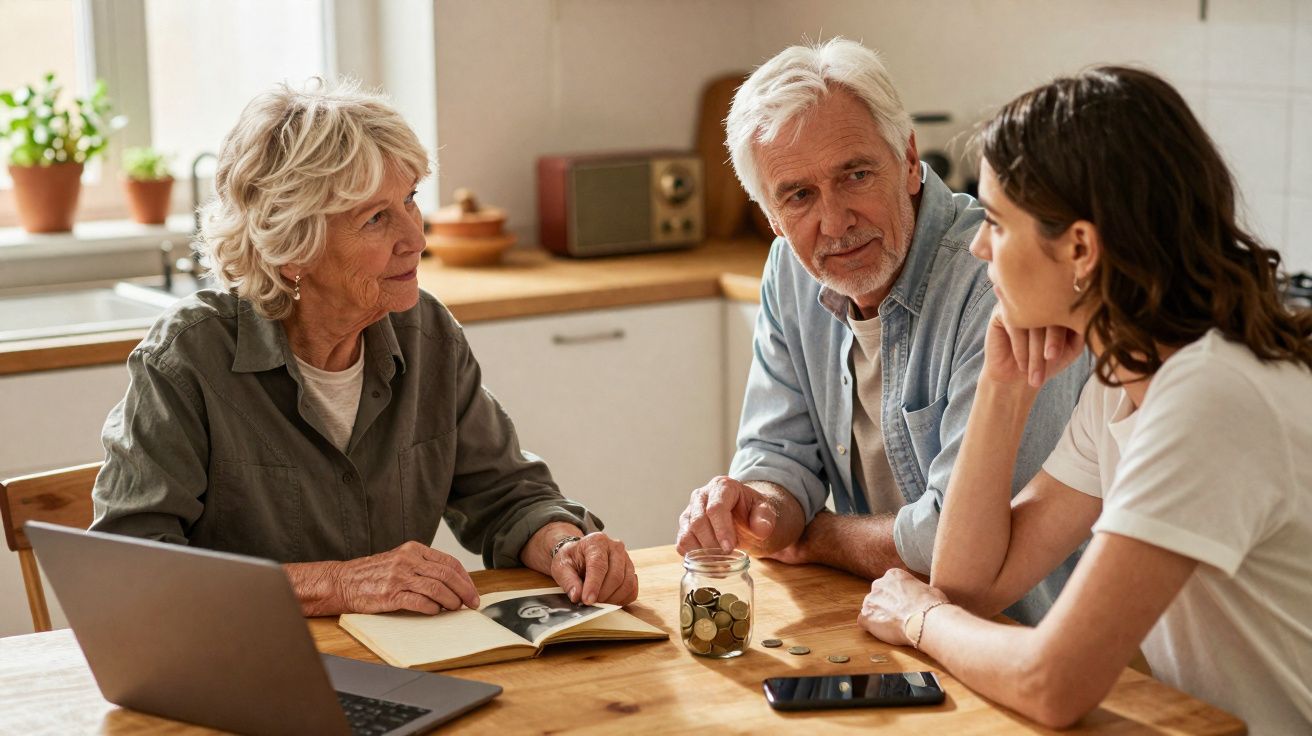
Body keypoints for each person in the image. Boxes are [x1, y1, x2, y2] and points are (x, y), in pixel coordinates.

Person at [858, 66, 1312, 731]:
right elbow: (973, 585)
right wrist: (1003, 386)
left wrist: (919, 618)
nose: (981, 247)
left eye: (996, 221)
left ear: (1079, 248)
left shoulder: (1208, 395)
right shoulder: (1127, 376)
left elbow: (1053, 683)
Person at [90, 80, 637, 615]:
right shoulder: (188, 358)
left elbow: (509, 497)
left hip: (404, 667)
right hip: (244, 674)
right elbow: (130, 571)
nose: (417, 239)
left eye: (410, 200)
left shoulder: (427, 336)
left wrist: (566, 546)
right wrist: (339, 584)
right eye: (376, 218)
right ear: (291, 247)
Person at [674, 39, 1086, 624]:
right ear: (770, 215)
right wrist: (756, 509)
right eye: (798, 195)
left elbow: (961, 552)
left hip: (1014, 635)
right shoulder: (789, 270)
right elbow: (777, 457)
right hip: (889, 621)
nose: (835, 221)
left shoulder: (1002, 282)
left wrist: (818, 539)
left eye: (857, 175)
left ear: (911, 159)